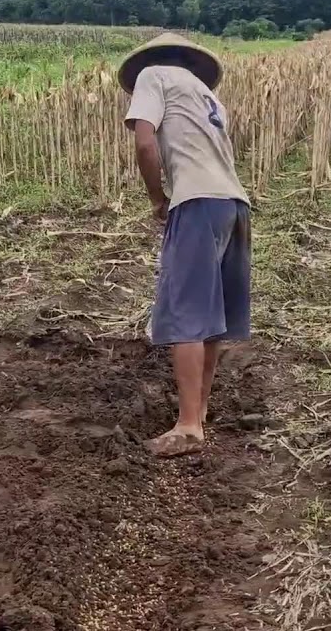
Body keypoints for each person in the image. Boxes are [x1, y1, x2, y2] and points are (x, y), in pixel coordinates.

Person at [120, 33, 251, 457]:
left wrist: (158, 198)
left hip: (196, 202)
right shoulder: (207, 95)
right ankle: (200, 411)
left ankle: (189, 426)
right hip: (234, 205)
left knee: (186, 312)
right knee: (210, 316)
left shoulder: (151, 76)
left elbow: (144, 143)